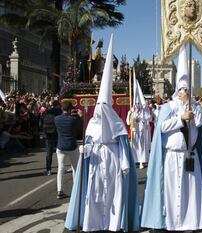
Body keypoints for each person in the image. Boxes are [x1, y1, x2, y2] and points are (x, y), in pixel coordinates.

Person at [141, 46, 202, 231]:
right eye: (181, 89)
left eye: (186, 89)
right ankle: (172, 221)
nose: (183, 91)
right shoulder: (168, 107)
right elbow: (162, 128)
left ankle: (193, 220)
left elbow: (199, 123)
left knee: (192, 189)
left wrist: (193, 108)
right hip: (172, 155)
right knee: (173, 190)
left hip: (190, 154)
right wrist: (180, 119)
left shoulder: (195, 106)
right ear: (176, 90)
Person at [65, 35, 140, 232]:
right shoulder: (91, 124)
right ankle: (94, 222)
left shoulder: (117, 125)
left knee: (114, 193)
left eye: (103, 106)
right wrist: (85, 149)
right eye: (99, 106)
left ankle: (114, 223)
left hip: (113, 158)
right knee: (95, 193)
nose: (100, 109)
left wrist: (124, 164)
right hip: (97, 161)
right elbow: (89, 143)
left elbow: (124, 147)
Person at [54, 101, 81, 199]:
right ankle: (75, 189)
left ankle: (59, 190)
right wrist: (79, 116)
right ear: (70, 109)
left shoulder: (56, 119)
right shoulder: (73, 119)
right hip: (72, 146)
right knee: (75, 168)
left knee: (60, 169)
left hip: (61, 146)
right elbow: (79, 127)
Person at [126, 68, 152, 169]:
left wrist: (142, 120)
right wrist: (130, 114)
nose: (137, 106)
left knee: (141, 147)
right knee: (134, 147)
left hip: (141, 132)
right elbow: (128, 122)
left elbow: (149, 119)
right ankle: (135, 161)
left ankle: (141, 161)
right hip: (134, 132)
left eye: (138, 105)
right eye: (136, 105)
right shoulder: (131, 112)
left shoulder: (144, 112)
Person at [42, 100, 62, 176]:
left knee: (49, 153)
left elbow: (41, 123)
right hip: (57, 133)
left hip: (47, 134)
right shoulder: (59, 111)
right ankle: (61, 168)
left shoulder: (46, 111)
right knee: (60, 151)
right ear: (57, 105)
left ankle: (48, 170)